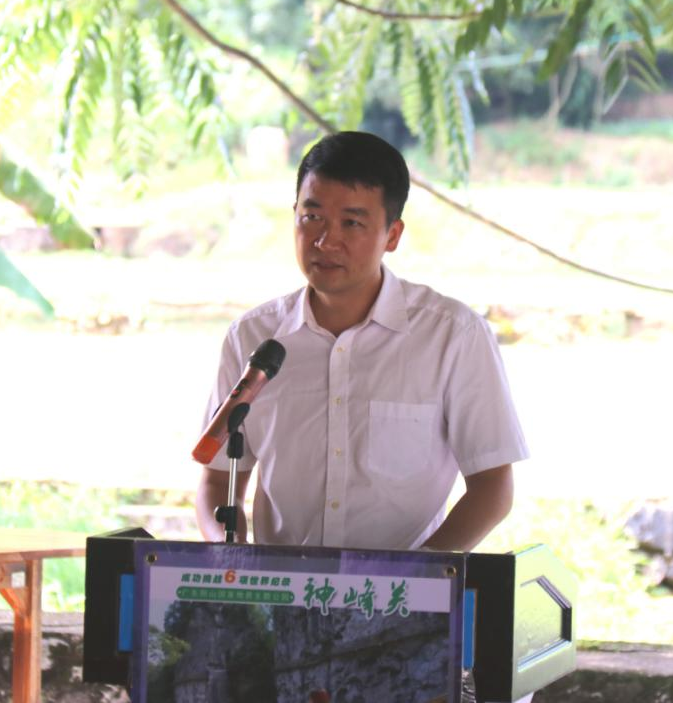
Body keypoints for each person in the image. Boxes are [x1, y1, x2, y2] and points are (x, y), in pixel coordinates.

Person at [195, 131, 529, 551]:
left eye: (351, 223)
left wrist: (421, 575)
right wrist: (230, 558)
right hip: (281, 586)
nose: (325, 241)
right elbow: (217, 480)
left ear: (392, 235)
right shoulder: (252, 337)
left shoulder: (453, 336)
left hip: (404, 588)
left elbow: (493, 487)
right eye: (311, 217)